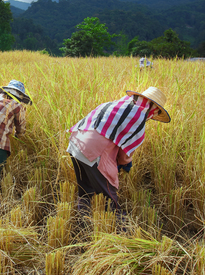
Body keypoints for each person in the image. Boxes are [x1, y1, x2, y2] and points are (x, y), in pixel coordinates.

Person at [67, 87, 171, 216]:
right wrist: (125, 164)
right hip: (92, 152)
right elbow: (125, 153)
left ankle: (82, 221)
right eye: (157, 111)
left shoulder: (116, 105)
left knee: (85, 190)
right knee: (109, 198)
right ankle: (120, 228)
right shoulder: (137, 118)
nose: (154, 115)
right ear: (153, 107)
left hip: (75, 144)